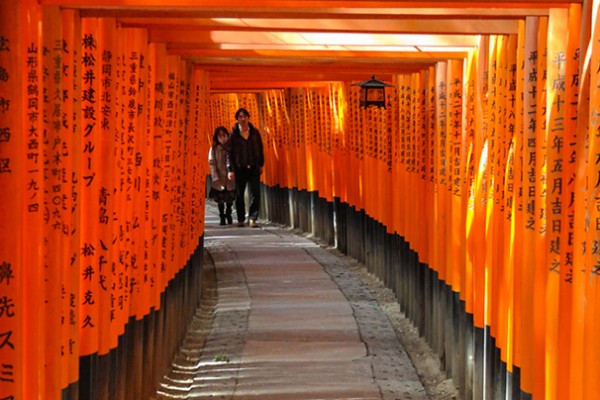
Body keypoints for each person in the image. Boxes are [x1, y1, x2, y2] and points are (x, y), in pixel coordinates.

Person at [227, 107, 264, 228]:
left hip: (253, 166)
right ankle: (241, 218)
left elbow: (260, 148)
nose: (243, 119)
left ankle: (253, 218)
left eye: (244, 116)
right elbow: (229, 153)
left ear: (248, 117)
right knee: (239, 194)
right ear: (237, 119)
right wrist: (230, 169)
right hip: (239, 167)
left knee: (256, 193)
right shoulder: (233, 135)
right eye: (240, 117)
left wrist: (261, 164)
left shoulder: (255, 133)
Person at [208, 126, 236, 225]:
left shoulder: (231, 147)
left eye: (224, 135)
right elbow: (212, 163)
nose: (222, 138)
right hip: (219, 177)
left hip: (230, 178)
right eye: (220, 136)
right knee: (220, 199)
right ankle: (222, 216)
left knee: (229, 199)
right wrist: (214, 177)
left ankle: (228, 213)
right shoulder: (214, 148)